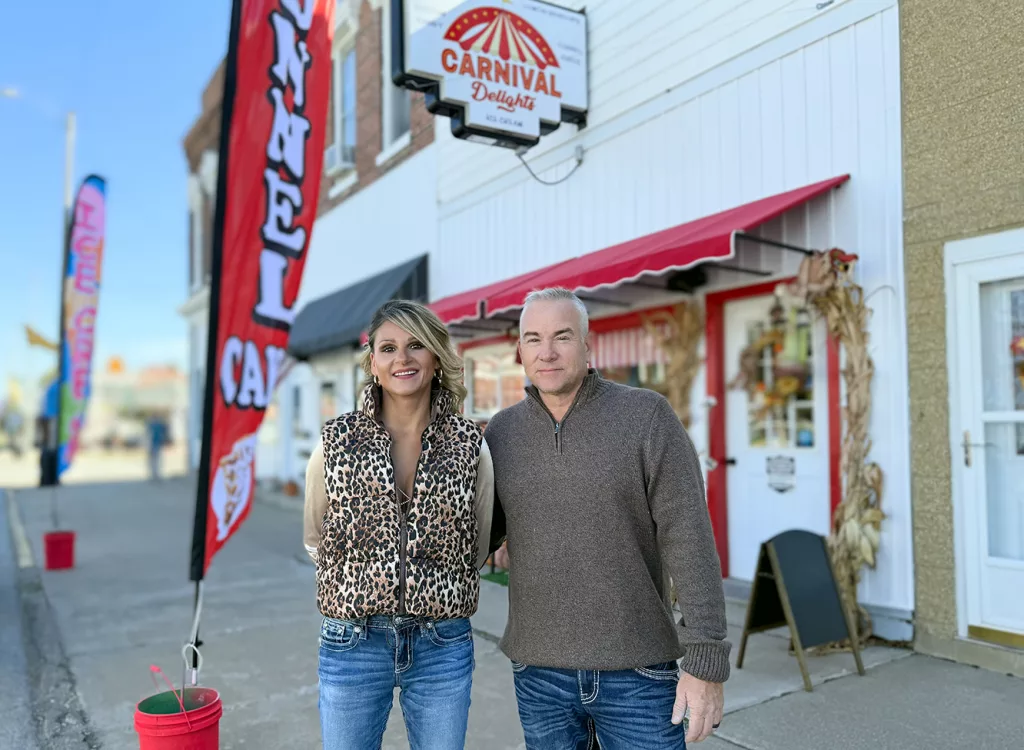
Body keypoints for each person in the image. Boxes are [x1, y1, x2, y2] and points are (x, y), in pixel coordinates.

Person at [485, 287, 730, 749]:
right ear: (520, 350)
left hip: (638, 673)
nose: (548, 352)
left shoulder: (646, 417)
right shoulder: (502, 432)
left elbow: (690, 541)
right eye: (533, 339)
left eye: (562, 336)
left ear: (587, 344)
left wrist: (705, 660)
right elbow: (480, 534)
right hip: (539, 674)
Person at [303, 299, 495, 750]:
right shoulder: (336, 440)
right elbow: (316, 537)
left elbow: (478, 541)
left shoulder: (469, 444)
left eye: (415, 346)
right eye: (387, 348)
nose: (402, 359)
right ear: (373, 363)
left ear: (435, 358)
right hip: (353, 640)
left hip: (442, 643)